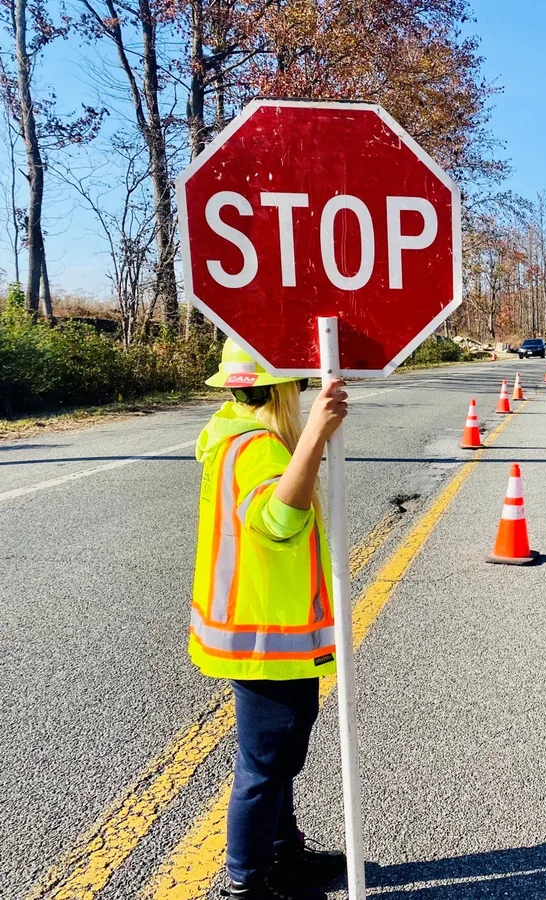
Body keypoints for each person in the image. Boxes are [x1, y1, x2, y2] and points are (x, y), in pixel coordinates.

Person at [191, 338, 349, 899]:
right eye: (299, 385)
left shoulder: (226, 431)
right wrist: (313, 439)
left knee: (272, 759)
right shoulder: (259, 447)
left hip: (251, 627)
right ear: (283, 386)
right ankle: (246, 884)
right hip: (265, 637)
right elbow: (280, 521)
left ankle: (284, 856)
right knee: (265, 765)